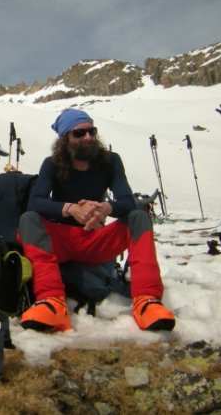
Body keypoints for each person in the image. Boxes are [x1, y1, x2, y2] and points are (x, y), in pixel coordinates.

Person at [18, 109, 175, 332]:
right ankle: (52, 303)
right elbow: (36, 203)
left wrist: (105, 208)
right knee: (29, 219)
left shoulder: (110, 161)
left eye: (91, 131)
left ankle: (146, 301)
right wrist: (70, 209)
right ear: (65, 139)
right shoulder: (51, 164)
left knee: (138, 217)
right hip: (62, 240)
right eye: (79, 133)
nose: (88, 137)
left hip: (95, 239)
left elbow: (128, 202)